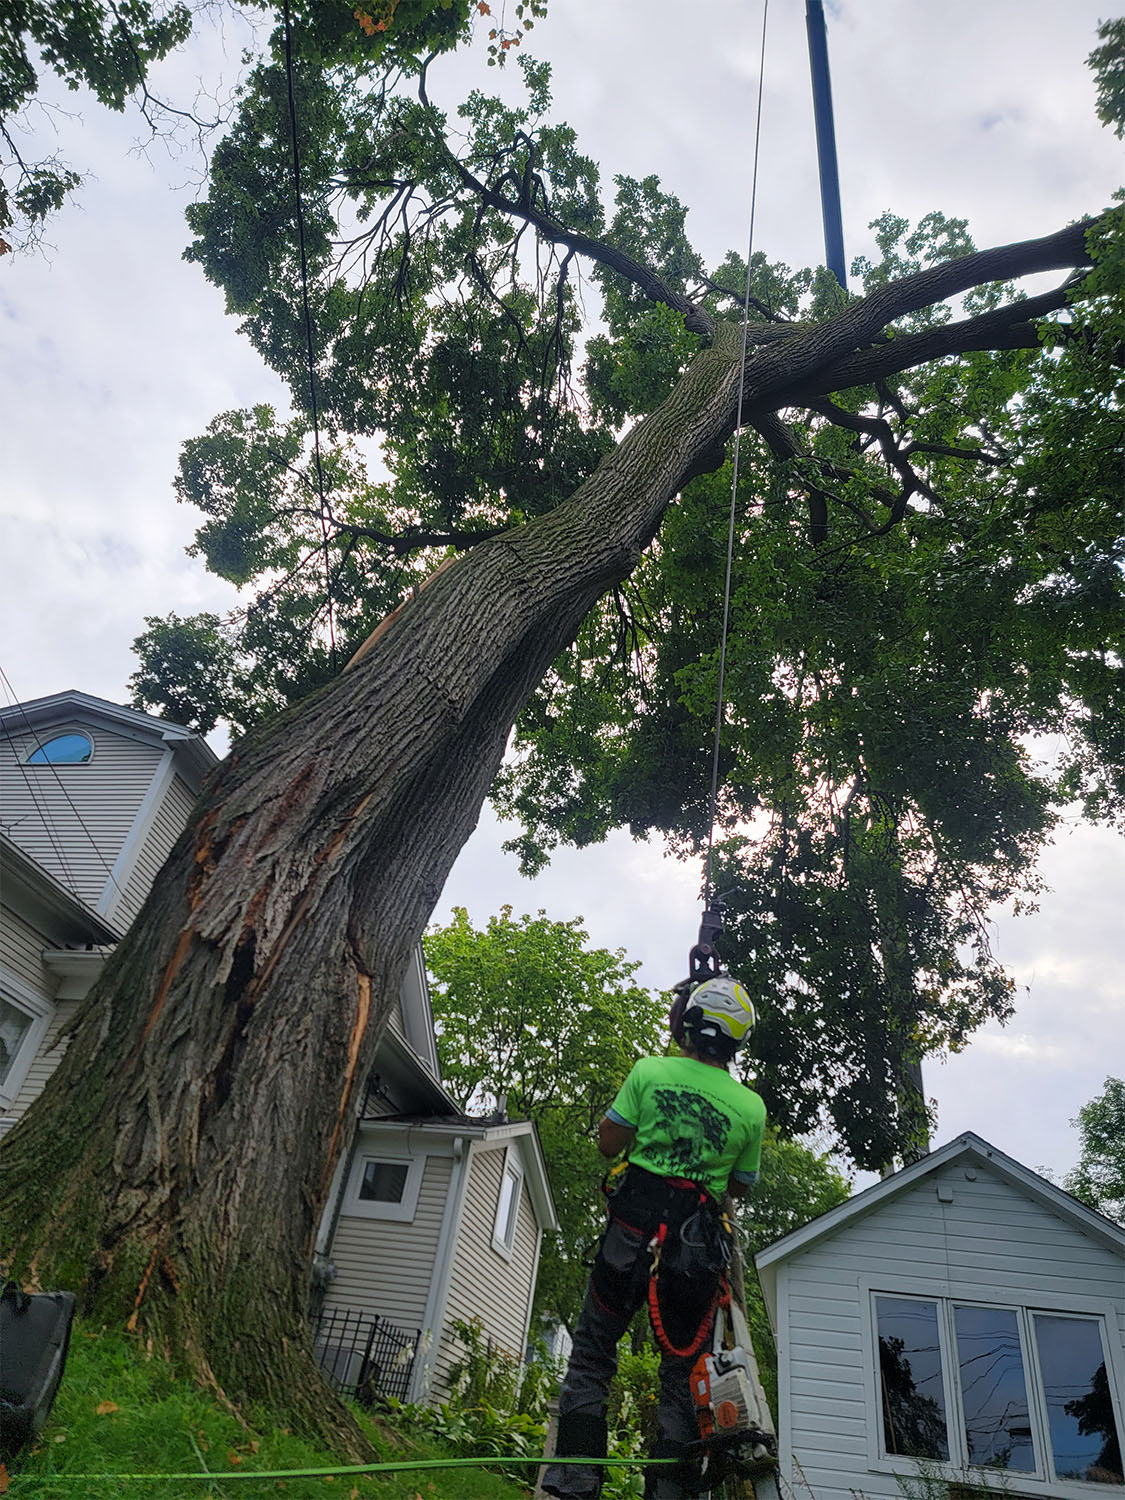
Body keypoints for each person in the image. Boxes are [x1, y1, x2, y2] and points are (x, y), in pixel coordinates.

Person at [541, 975, 767, 1500]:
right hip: (693, 1254)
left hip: (631, 1235)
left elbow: (608, 1141)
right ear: (736, 1041)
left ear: (688, 1023)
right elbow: (739, 1183)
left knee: (593, 1356)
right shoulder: (750, 1109)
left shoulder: (648, 1072)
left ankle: (575, 1481)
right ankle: (668, 1495)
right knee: (681, 1377)